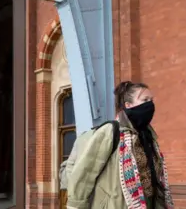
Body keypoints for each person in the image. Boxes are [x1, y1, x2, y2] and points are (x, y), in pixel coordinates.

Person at [66, 81, 174, 209]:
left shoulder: (148, 136)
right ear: (128, 105)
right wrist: (76, 205)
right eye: (145, 100)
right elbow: (85, 172)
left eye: (151, 100)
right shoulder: (110, 131)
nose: (150, 104)